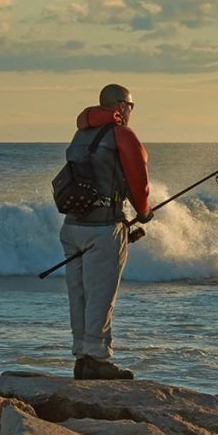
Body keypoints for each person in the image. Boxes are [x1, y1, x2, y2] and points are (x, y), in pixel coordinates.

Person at [60, 84, 152, 380]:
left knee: (80, 294)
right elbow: (140, 181)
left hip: (71, 227)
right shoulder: (122, 135)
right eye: (131, 105)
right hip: (103, 229)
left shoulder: (80, 135)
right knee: (101, 295)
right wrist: (144, 212)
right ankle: (97, 360)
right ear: (120, 106)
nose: (131, 111)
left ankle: (81, 356)